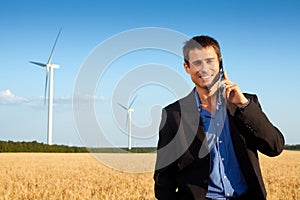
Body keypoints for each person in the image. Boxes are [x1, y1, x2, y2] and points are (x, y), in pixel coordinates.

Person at [153, 35, 285, 200]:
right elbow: (164, 176)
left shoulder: (246, 104)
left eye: (210, 61)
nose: (204, 69)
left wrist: (243, 105)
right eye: (197, 63)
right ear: (187, 67)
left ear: (220, 62)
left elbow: (275, 147)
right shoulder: (173, 114)